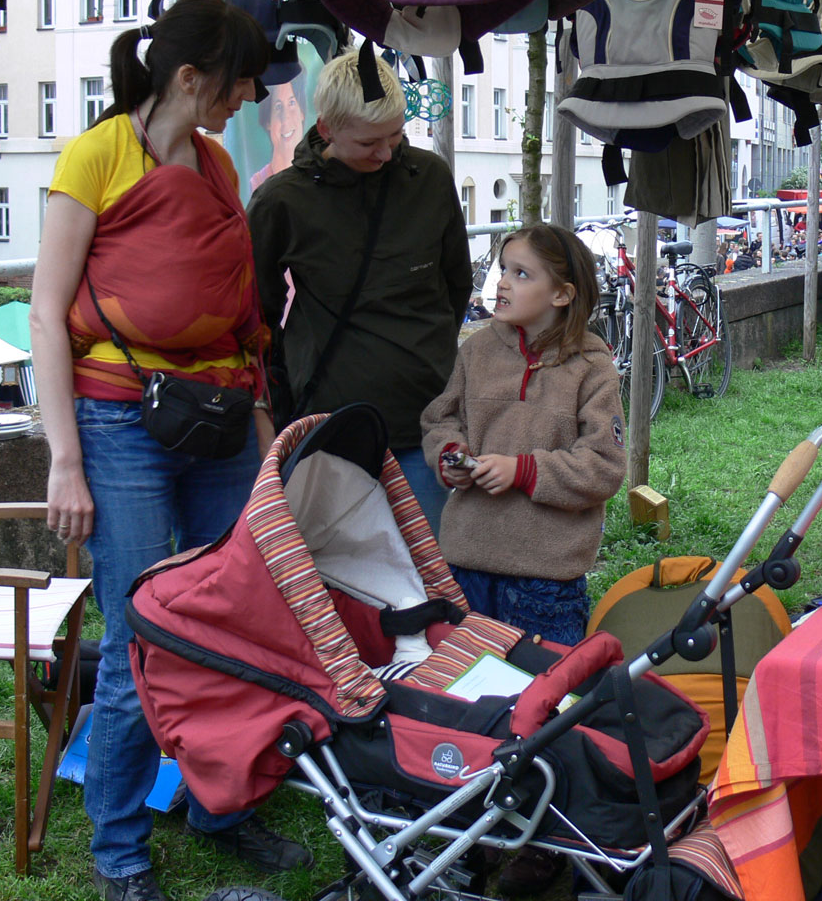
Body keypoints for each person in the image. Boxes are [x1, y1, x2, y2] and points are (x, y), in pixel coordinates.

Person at [31, 0, 309, 901]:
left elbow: (240, 314)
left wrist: (262, 431)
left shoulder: (218, 164)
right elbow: (47, 313)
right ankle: (119, 849)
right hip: (121, 425)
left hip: (219, 419)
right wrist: (64, 460)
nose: (246, 100)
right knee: (140, 641)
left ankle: (219, 806)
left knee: (233, 618)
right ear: (190, 79)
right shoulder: (96, 156)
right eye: (237, 85)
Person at [420, 223, 625, 897]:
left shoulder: (593, 367)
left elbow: (604, 465)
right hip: (469, 570)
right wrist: (451, 457)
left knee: (549, 711)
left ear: (562, 294)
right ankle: (468, 826)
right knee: (468, 704)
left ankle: (547, 842)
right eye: (501, 268)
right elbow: (439, 421)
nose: (502, 282)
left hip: (546, 581)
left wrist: (525, 470)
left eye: (521, 273)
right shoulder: (476, 351)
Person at [248, 47, 471, 536]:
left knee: (424, 566)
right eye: (370, 142)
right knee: (335, 568)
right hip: (331, 425)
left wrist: (425, 351)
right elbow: (257, 316)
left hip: (422, 420)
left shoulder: (429, 178)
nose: (387, 153)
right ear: (326, 129)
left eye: (396, 136)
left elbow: (458, 284)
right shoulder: (281, 202)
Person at [248, 81, 309, 192]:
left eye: (291, 103)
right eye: (278, 107)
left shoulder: (318, 175)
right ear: (268, 122)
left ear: (302, 113)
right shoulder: (258, 183)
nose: (285, 118)